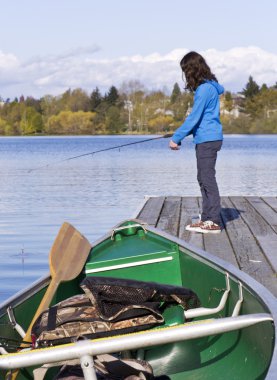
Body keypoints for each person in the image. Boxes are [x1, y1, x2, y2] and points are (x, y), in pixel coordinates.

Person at [169, 51, 224, 234]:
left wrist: (176, 137)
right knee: (203, 178)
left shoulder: (204, 90)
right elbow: (200, 119)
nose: (185, 75)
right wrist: (185, 134)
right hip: (207, 138)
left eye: (186, 70)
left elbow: (194, 118)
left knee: (207, 178)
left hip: (208, 140)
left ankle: (213, 221)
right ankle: (207, 217)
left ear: (192, 70)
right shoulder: (209, 87)